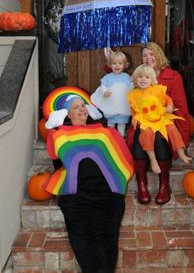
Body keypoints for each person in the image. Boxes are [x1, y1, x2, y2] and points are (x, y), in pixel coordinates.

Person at [44, 94, 134, 273]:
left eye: (83, 105)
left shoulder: (103, 131)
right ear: (67, 114)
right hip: (77, 193)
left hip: (107, 190)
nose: (81, 109)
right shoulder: (59, 134)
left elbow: (118, 156)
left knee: (108, 235)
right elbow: (59, 164)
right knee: (85, 237)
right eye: (76, 107)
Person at [127, 42, 191, 205]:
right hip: (145, 122)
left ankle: (164, 185)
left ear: (159, 55)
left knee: (159, 136)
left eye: (151, 54)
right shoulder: (140, 77)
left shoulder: (173, 77)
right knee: (141, 135)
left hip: (163, 121)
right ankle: (142, 185)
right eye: (145, 55)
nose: (148, 58)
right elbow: (134, 103)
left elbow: (181, 107)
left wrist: (183, 134)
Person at [127, 64, 192, 175]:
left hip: (161, 117)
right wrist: (135, 118)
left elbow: (168, 100)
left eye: (147, 77)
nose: (143, 79)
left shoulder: (158, 89)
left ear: (152, 80)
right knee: (146, 135)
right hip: (146, 119)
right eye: (140, 77)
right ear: (135, 79)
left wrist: (170, 107)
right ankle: (153, 160)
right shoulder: (134, 94)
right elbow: (134, 110)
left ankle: (181, 153)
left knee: (172, 129)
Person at [91, 50, 132, 137]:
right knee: (111, 126)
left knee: (121, 125)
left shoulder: (127, 77)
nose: (117, 66)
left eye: (120, 63)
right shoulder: (108, 77)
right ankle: (111, 139)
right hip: (111, 106)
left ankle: (121, 139)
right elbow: (103, 86)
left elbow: (131, 88)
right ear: (110, 64)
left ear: (124, 65)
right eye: (114, 63)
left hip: (122, 107)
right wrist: (104, 92)